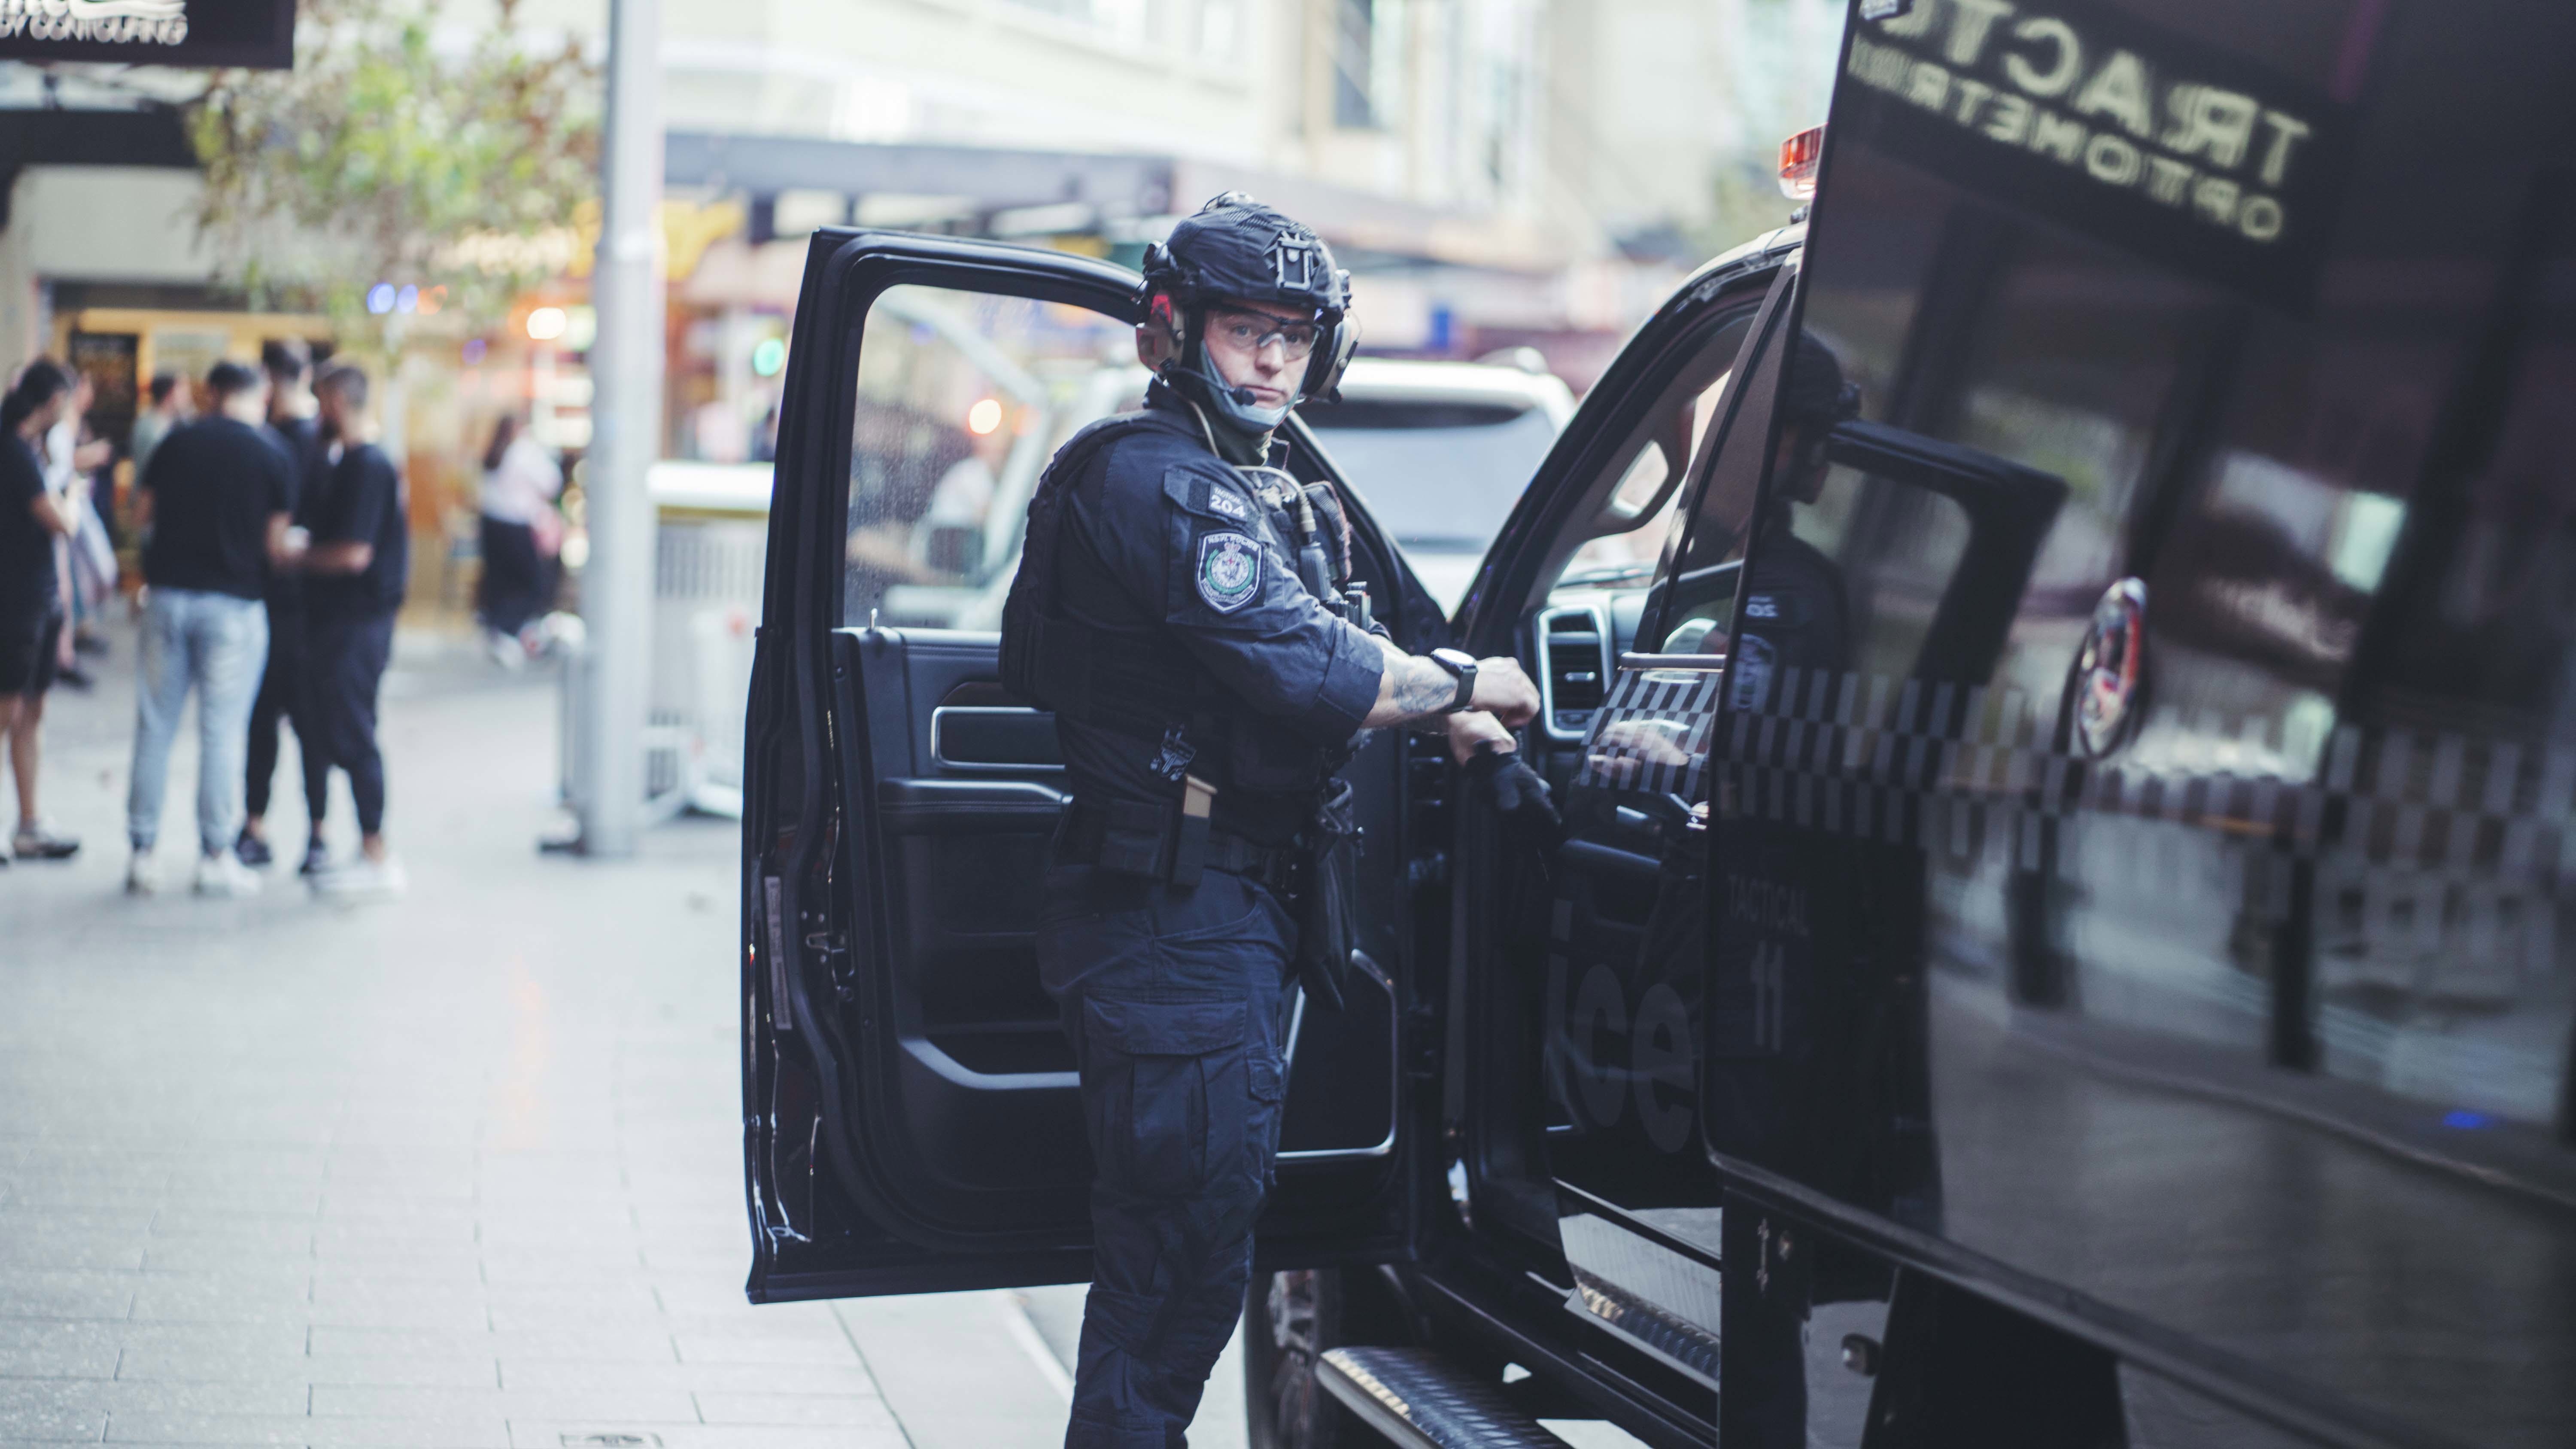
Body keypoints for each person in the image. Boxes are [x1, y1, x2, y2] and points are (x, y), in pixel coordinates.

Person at [997, 193, 1552, 1448]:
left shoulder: (1276, 477)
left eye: (1293, 337)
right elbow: (1316, 672)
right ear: (1174, 330)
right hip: (1164, 909)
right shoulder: (1152, 482)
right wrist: (1470, 688)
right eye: (1245, 330)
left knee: (1204, 1224)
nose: (1269, 360)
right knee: (1178, 1245)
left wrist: (1446, 704)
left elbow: (1387, 616)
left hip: (1233, 905)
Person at [123, 360, 295, 897]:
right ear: (259, 393)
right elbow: (275, 545)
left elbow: (139, 515)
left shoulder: (176, 442)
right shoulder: (272, 452)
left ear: (212, 392)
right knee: (223, 732)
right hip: (234, 607)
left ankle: (143, 853)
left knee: (156, 725)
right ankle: (216, 854)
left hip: (169, 597)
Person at [297, 362, 408, 898]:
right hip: (345, 623)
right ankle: (368, 847)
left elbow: (354, 554)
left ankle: (376, 851)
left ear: (340, 399)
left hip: (357, 624)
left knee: (355, 733)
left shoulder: (368, 466)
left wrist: (296, 556)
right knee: (340, 730)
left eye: (322, 401)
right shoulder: (350, 462)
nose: (319, 413)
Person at [239, 338, 330, 872]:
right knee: (309, 724)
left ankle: (255, 826)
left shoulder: (267, 443)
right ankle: (317, 833)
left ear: (269, 378)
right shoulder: (326, 441)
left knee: (262, 720)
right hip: (313, 606)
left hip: (271, 600)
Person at [0, 360, 86, 863]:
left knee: (31, 711)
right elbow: (62, 522)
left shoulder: (27, 449)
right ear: (54, 402)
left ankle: (29, 823)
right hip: (15, 602)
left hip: (37, 598)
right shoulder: (13, 450)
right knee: (8, 711)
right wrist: (72, 496)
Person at [474, 413, 562, 660]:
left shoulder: (494, 452)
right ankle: (511, 629)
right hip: (515, 524)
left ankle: (499, 629)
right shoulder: (522, 452)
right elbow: (551, 482)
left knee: (499, 580)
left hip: (490, 523)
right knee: (530, 581)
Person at [128, 369, 192, 484]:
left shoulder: (165, 423)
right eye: (184, 392)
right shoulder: (151, 429)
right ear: (171, 394)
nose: (188, 398)